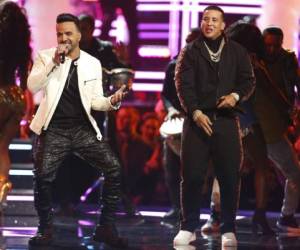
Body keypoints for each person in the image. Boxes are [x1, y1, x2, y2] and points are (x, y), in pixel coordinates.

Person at [27, 13, 128, 248]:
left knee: (113, 169)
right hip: (54, 129)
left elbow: (95, 102)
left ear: (79, 36)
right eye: (60, 34)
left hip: (82, 129)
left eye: (68, 33)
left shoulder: (92, 63)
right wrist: (53, 61)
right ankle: (45, 228)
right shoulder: (45, 57)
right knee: (42, 176)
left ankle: (106, 227)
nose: (64, 38)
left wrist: (112, 101)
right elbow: (33, 86)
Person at [173, 5, 255, 247]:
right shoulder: (190, 51)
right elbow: (182, 84)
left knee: (229, 176)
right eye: (205, 19)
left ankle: (229, 228)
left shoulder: (238, 52)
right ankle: (188, 227)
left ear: (222, 25)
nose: (209, 23)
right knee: (192, 177)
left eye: (214, 20)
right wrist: (195, 111)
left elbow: (248, 80)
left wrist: (236, 97)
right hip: (197, 120)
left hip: (227, 120)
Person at [201, 21, 275, 235]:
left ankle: (217, 215)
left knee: (224, 167)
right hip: (243, 118)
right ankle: (258, 217)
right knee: (259, 166)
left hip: (229, 117)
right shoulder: (247, 60)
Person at [161, 28, 201, 221]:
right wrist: (170, 109)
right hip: (176, 121)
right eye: (187, 41)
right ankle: (176, 207)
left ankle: (191, 209)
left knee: (193, 169)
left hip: (197, 122)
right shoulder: (173, 65)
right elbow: (166, 95)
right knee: (170, 165)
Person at [0, 1, 32, 206]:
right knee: (3, 148)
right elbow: (25, 78)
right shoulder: (21, 43)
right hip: (15, 97)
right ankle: (2, 187)